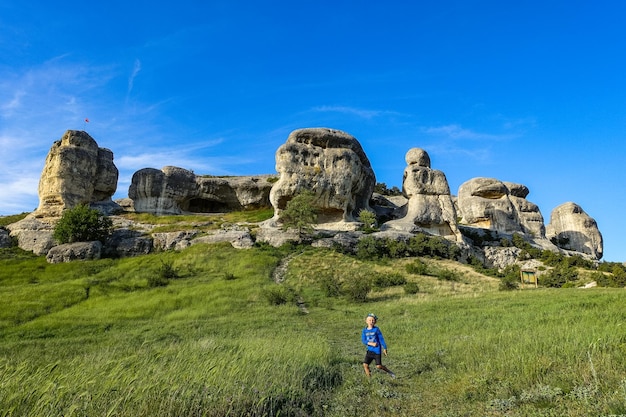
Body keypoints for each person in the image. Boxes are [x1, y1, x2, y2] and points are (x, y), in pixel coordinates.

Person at [361, 313, 396, 379]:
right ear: (366, 321)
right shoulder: (364, 331)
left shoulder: (376, 330)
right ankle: (369, 379)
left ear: (375, 322)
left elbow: (381, 339)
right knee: (365, 365)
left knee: (379, 366)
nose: (371, 322)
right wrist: (371, 343)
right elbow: (363, 340)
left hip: (377, 351)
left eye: (373, 320)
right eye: (370, 320)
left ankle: (390, 372)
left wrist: (385, 348)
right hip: (369, 350)